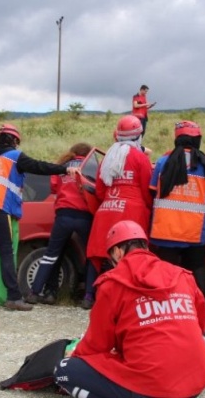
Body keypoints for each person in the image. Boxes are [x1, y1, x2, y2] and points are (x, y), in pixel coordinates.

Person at [54, 220, 205, 398]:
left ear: (117, 251)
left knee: (64, 370)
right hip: (195, 383)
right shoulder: (182, 275)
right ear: (145, 246)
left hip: (155, 387)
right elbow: (200, 325)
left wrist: (75, 355)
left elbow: (97, 344)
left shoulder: (113, 283)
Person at [0, 124, 78, 311]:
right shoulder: (14, 156)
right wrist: (64, 170)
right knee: (6, 251)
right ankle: (14, 297)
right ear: (15, 141)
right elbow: (39, 166)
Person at [149, 121, 205, 308]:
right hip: (194, 230)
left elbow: (151, 189)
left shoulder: (163, 162)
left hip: (166, 229)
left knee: (165, 270)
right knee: (196, 268)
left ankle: (162, 307)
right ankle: (200, 307)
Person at [86, 115, 153, 296]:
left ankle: (89, 295)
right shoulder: (140, 158)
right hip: (133, 211)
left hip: (106, 210)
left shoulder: (108, 157)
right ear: (139, 135)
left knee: (99, 251)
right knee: (132, 254)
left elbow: (99, 190)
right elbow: (147, 190)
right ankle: (127, 294)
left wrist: (110, 201)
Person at [25, 142, 94, 306]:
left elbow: (54, 188)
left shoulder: (62, 167)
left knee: (52, 255)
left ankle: (37, 293)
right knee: (92, 256)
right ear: (88, 154)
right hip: (84, 217)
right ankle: (88, 297)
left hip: (63, 216)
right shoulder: (90, 167)